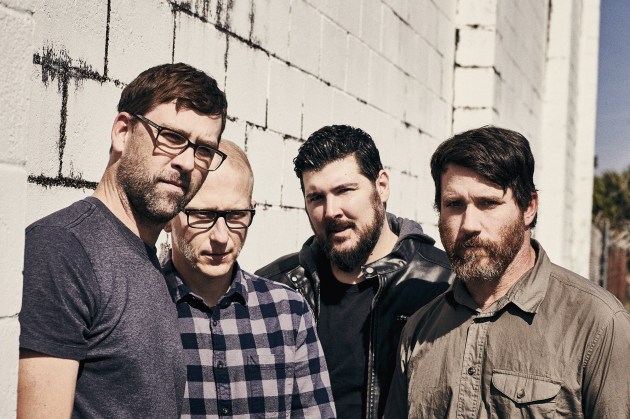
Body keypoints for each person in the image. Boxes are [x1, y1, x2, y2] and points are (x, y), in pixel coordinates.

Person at [18, 63, 228, 418]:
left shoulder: (147, 258)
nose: (188, 162)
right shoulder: (62, 249)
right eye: (172, 137)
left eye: (204, 149)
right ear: (123, 132)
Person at [384, 125, 630, 418]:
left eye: (488, 203)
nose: (469, 224)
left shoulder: (597, 324)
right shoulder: (418, 330)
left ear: (528, 208)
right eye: (454, 204)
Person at [256, 125, 453, 418]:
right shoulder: (275, 288)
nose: (331, 211)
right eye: (316, 197)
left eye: (344, 191)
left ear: (381, 186)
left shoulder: (445, 283)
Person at [162, 140, 336, 418]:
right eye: (203, 215)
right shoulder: (136, 308)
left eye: (236, 215)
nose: (221, 237)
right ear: (168, 214)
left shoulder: (289, 312)